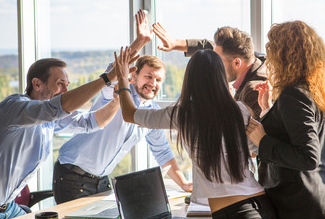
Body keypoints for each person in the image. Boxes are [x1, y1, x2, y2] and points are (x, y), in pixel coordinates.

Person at [115, 47, 276, 219]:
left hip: (236, 212)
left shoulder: (182, 114)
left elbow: (130, 115)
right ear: (221, 77)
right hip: (262, 204)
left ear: (190, 79)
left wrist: (123, 78)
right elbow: (254, 150)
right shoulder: (239, 110)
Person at [53, 11, 192, 204]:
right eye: (148, 76)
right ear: (133, 76)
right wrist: (141, 41)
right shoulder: (117, 92)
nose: (153, 83)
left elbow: (162, 151)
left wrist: (184, 183)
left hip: (101, 180)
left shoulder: (151, 113)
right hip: (72, 175)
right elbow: (113, 71)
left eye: (158, 79)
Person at [0, 54, 130, 218]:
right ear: (37, 84)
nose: (65, 91)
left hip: (8, 207)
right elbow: (57, 107)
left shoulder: (48, 119)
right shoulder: (15, 108)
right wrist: (107, 78)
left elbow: (91, 122)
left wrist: (116, 99)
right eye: (60, 84)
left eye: (67, 85)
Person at [246, 21, 325, 219]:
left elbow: (308, 157)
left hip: (297, 205)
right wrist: (267, 111)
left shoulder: (294, 95)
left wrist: (262, 141)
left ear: (285, 55)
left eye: (272, 51)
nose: (269, 60)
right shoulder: (313, 91)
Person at [152, 23, 267, 120]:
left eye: (218, 60)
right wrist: (176, 43)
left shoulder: (254, 90)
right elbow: (211, 47)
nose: (213, 65)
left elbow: (239, 131)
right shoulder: (252, 57)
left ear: (237, 63)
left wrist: (229, 101)